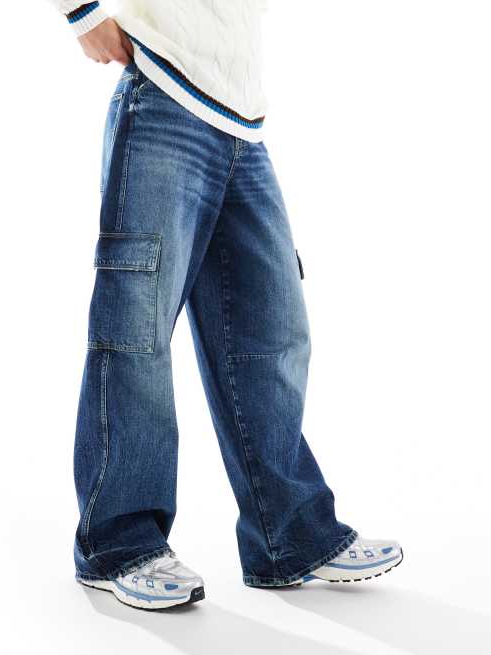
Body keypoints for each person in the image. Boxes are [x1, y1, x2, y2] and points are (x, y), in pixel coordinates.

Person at [52, 0, 403, 611]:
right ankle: (118, 545)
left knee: (273, 331)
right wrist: (82, 11)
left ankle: (289, 537)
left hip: (242, 120)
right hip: (163, 93)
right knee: (136, 331)